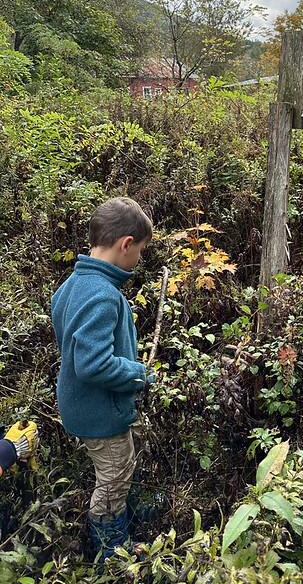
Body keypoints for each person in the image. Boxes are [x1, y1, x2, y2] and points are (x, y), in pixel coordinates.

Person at [51, 197, 153, 561]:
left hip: (83, 407)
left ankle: (124, 522)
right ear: (126, 244)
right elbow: (92, 364)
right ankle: (113, 552)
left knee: (117, 471)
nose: (139, 259)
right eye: (140, 250)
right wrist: (137, 373)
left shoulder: (70, 285)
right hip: (102, 415)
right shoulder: (103, 296)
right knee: (113, 481)